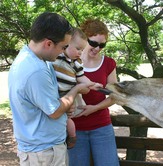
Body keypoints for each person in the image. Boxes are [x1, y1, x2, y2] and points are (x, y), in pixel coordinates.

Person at [8, 12, 91, 166]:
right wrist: (76, 90)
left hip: (42, 150)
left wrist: (64, 106)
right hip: (44, 154)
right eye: (64, 46)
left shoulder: (34, 58)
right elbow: (54, 111)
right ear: (48, 43)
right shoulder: (35, 70)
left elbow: (47, 103)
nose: (63, 51)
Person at [68, 19, 120, 166]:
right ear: (85, 39)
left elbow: (115, 95)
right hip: (75, 128)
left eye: (102, 45)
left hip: (101, 126)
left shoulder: (108, 63)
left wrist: (94, 109)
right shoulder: (70, 61)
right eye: (94, 43)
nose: (97, 48)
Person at [52, 27, 103, 149]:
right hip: (53, 94)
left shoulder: (77, 63)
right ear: (66, 44)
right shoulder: (56, 56)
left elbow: (81, 77)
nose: (80, 52)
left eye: (82, 49)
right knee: (59, 118)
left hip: (67, 95)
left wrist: (92, 84)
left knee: (67, 118)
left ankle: (72, 136)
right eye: (78, 48)